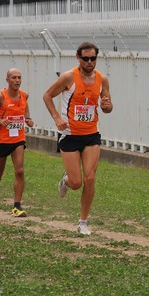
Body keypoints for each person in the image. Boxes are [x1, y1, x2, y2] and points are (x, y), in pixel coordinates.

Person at [43, 42, 113, 236]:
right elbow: (47, 96)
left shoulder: (102, 79)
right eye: (86, 58)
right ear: (78, 58)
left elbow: (107, 107)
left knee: (90, 177)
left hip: (92, 134)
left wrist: (107, 105)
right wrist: (57, 118)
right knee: (77, 182)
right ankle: (66, 180)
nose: (90, 62)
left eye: (93, 59)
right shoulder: (69, 77)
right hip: (70, 135)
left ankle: (83, 221)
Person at [0, 68, 34, 217]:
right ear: (7, 80)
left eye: (19, 77)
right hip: (1, 140)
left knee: (20, 170)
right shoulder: (0, 97)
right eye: (14, 78)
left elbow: (25, 109)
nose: (17, 80)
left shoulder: (24, 95)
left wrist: (28, 119)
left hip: (18, 138)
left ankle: (17, 206)